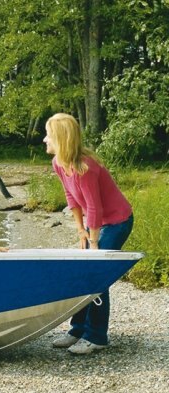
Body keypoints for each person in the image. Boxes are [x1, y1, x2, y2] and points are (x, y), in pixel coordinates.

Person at [44, 113, 134, 355]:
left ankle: (96, 337)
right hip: (95, 224)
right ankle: (78, 330)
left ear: (60, 138)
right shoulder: (59, 163)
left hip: (117, 222)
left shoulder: (86, 167)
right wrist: (80, 230)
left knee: (96, 275)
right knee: (81, 272)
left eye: (48, 135)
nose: (44, 139)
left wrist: (93, 242)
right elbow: (71, 197)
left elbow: (95, 207)